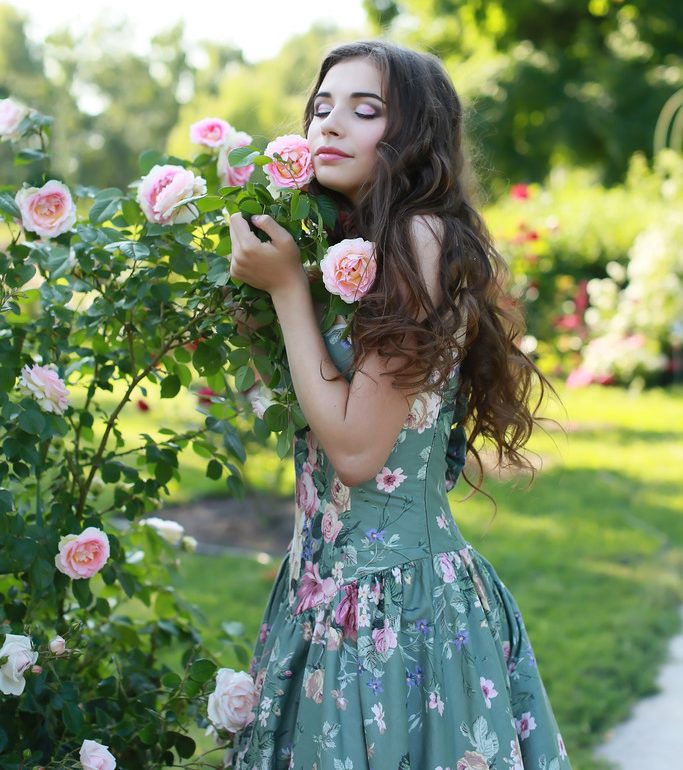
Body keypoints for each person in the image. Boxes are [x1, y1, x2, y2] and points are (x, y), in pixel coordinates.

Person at [227, 40, 571, 770]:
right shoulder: (347, 246)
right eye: (320, 108)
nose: (328, 125)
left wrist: (287, 289)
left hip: (397, 609)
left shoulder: (418, 235)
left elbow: (356, 453)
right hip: (320, 594)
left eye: (364, 109)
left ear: (413, 135)